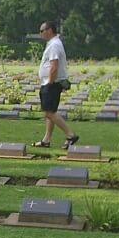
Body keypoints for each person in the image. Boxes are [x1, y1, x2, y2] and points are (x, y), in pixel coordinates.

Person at [32, 21, 79, 149]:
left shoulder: (54, 45)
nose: (40, 33)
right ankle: (46, 140)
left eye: (42, 31)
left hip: (52, 83)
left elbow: (54, 66)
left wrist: (49, 83)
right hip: (51, 82)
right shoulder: (53, 43)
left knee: (49, 113)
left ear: (49, 30)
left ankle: (70, 135)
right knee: (50, 112)